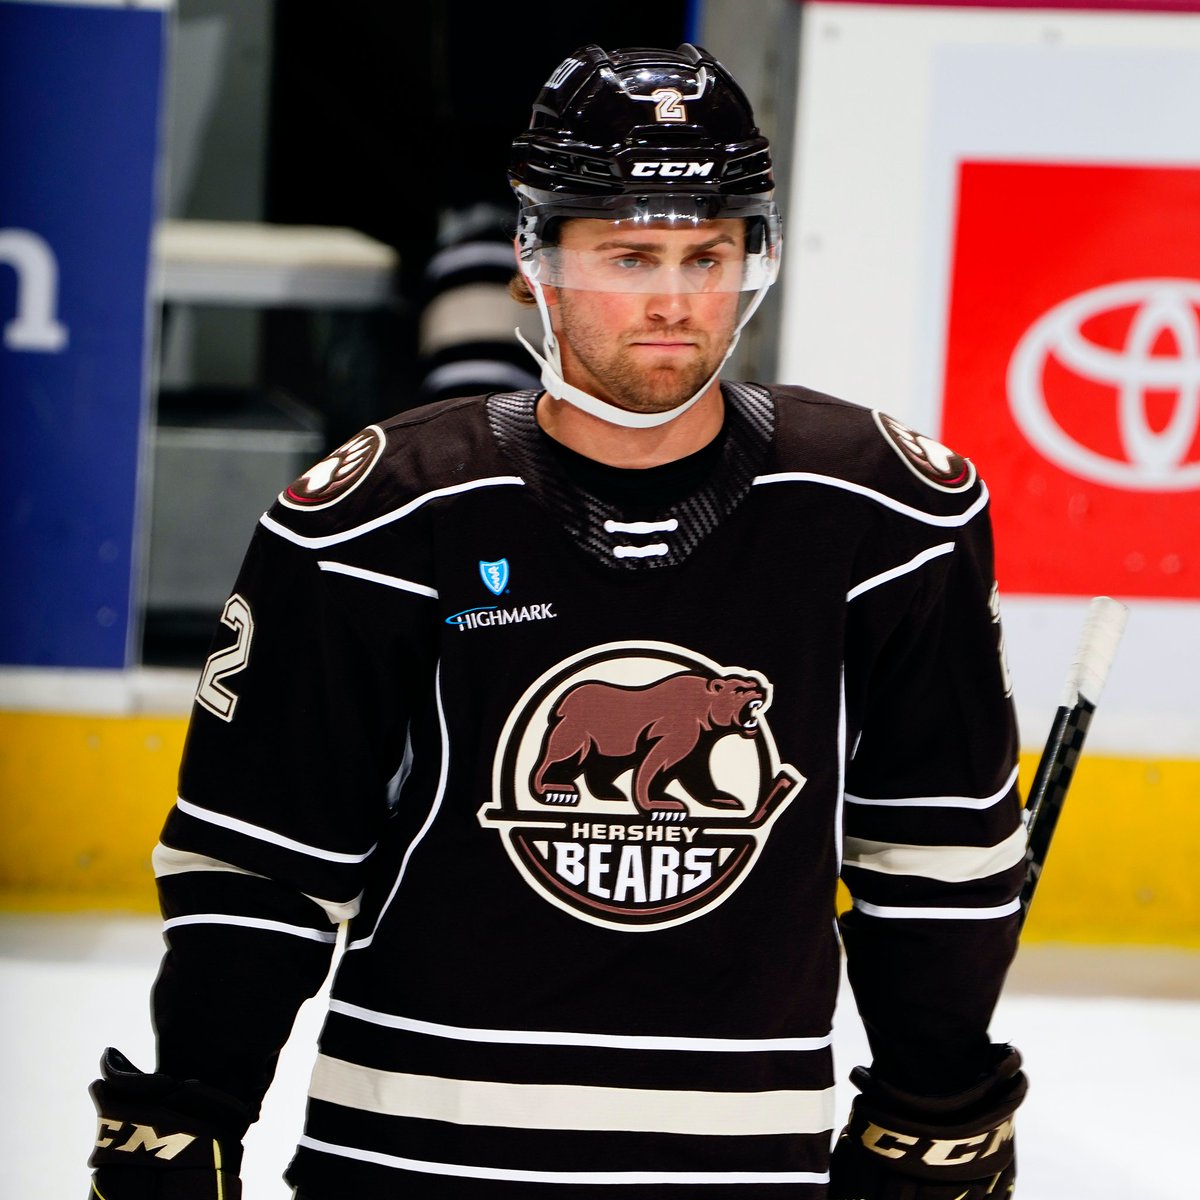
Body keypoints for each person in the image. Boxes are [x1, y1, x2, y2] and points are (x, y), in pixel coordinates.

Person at [89, 43, 1028, 1200]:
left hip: (742, 1166)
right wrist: (192, 1105)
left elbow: (936, 850)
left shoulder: (884, 511)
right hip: (411, 1159)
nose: (677, 299)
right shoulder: (380, 513)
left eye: (707, 254)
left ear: (754, 260)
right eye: (630, 255)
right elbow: (263, 858)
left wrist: (937, 1095)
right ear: (533, 262)